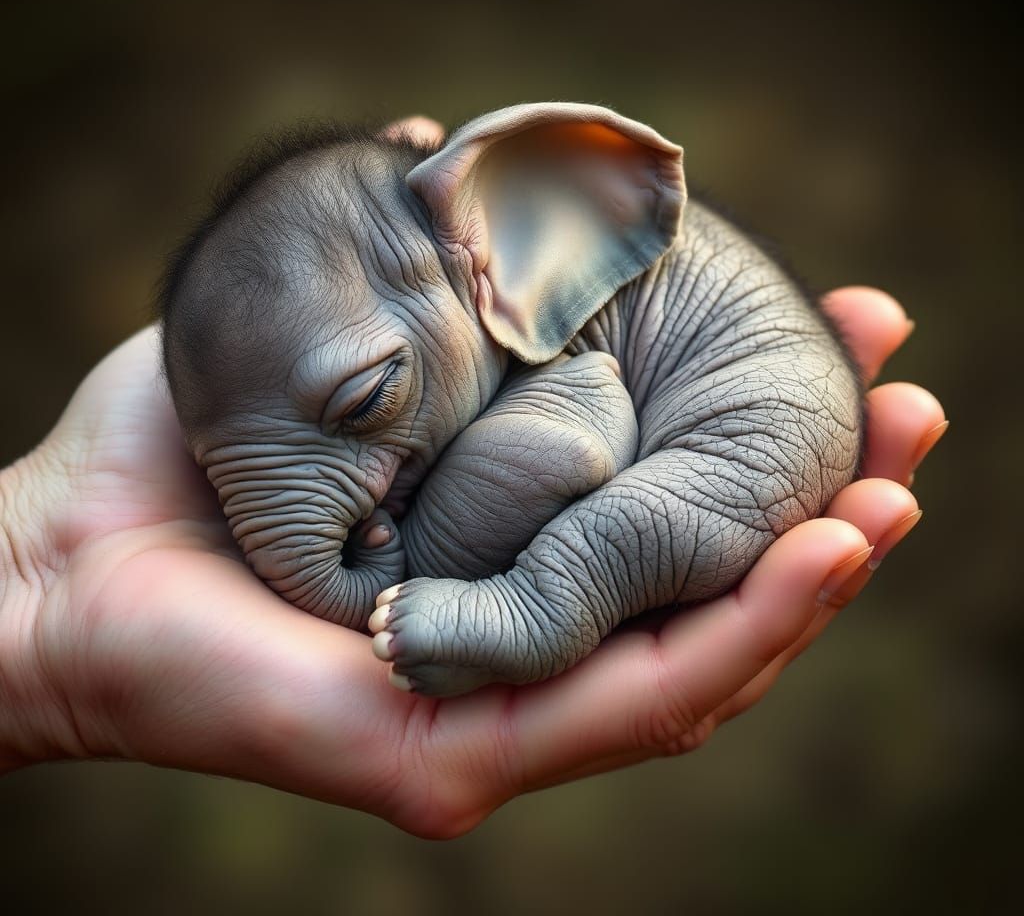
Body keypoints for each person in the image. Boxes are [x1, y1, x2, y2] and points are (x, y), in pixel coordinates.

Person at [0, 117, 946, 839]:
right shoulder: (417, 314)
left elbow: (565, 444)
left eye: (366, 400)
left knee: (618, 525)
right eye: (220, 467)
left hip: (741, 444)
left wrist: (399, 566)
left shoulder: (538, 327)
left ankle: (538, 611)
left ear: (490, 268)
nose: (307, 484)